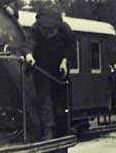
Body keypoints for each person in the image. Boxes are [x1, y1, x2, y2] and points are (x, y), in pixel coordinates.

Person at [25, 7, 77, 140]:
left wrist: (65, 61)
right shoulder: (35, 29)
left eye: (51, 31)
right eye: (45, 31)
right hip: (42, 67)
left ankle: (63, 130)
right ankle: (48, 130)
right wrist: (29, 55)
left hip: (59, 68)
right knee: (43, 98)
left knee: (61, 101)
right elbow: (29, 43)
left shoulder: (65, 29)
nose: (47, 34)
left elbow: (71, 48)